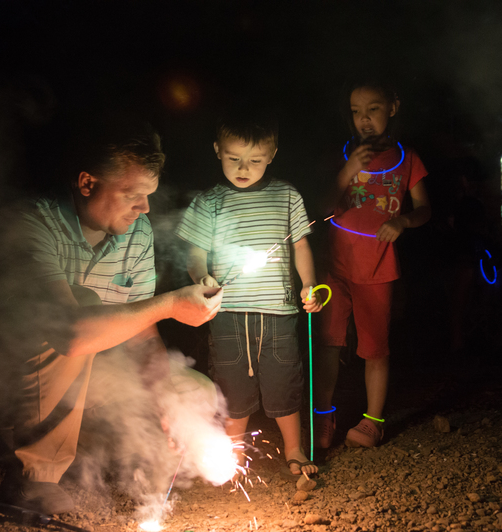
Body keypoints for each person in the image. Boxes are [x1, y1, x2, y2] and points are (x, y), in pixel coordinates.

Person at [5, 118, 223, 514]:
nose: (145, 208)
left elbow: (141, 334)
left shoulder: (135, 232)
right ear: (88, 184)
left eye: (149, 195)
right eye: (132, 194)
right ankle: (36, 477)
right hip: (2, 371)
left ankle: (133, 478)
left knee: (191, 392)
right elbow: (69, 335)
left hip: (83, 371)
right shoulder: (33, 223)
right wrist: (173, 303)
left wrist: (166, 397)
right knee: (82, 317)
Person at [175, 110, 323, 479]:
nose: (243, 168)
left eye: (255, 160)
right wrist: (201, 276)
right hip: (227, 313)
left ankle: (293, 447)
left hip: (278, 311)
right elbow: (194, 251)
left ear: (271, 155)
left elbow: (301, 245)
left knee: (283, 381)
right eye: (233, 158)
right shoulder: (208, 202)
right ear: (217, 150)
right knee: (232, 385)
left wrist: (308, 284)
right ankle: (232, 454)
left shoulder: (286, 195)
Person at [313, 78, 431, 449]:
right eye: (356, 112)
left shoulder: (407, 158)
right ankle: (322, 417)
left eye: (373, 110)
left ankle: (373, 421)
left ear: (393, 108)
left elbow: (425, 208)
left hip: (378, 267)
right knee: (328, 343)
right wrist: (348, 170)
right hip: (336, 264)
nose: (363, 119)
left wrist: (403, 221)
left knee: (374, 348)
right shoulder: (343, 153)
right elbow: (322, 206)